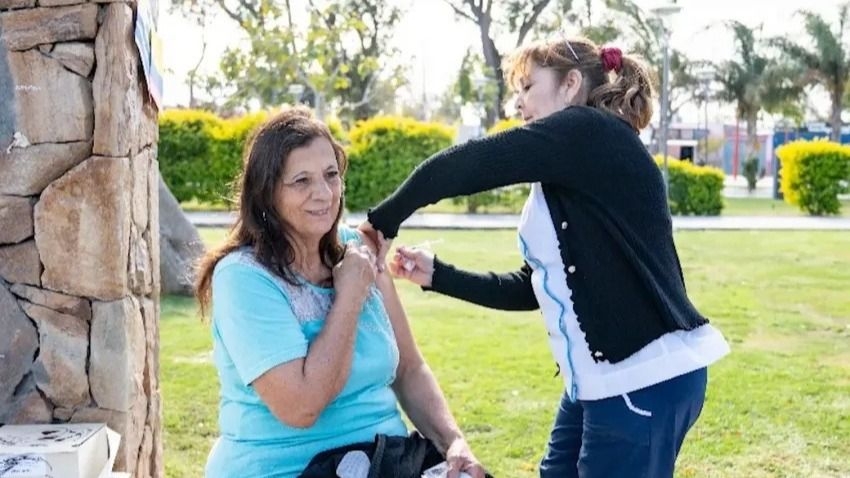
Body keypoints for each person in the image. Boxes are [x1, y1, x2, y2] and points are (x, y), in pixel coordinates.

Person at [360, 37, 730, 478]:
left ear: (571, 84)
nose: (519, 103)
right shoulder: (572, 163)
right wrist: (438, 275)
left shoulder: (587, 131)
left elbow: (467, 164)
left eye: (528, 87)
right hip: (599, 380)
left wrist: (382, 221)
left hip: (640, 378)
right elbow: (534, 287)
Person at [194, 107, 486, 478]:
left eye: (331, 175)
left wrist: (454, 442)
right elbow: (301, 407)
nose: (324, 193)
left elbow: (409, 369)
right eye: (301, 181)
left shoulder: (356, 250)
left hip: (386, 462)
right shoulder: (243, 277)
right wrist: (348, 296)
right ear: (266, 193)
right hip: (285, 469)